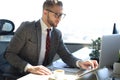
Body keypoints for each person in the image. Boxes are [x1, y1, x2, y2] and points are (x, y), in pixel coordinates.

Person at [4, 0, 98, 79]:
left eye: (61, 15)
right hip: (20, 75)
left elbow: (66, 56)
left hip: (43, 76)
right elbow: (9, 54)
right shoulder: (27, 28)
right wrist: (30, 68)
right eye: (56, 15)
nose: (59, 19)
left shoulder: (57, 34)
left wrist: (80, 63)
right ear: (45, 12)